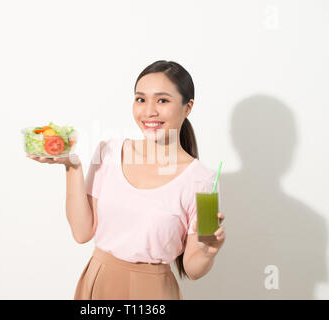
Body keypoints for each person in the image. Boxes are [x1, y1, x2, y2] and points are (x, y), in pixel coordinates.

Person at [27, 60, 226, 299]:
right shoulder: (108, 151)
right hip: (98, 282)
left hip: (154, 294)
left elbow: (193, 270)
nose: (149, 111)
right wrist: (72, 167)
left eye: (162, 100)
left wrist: (207, 252)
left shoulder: (203, 180)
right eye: (141, 99)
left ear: (188, 107)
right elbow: (81, 233)